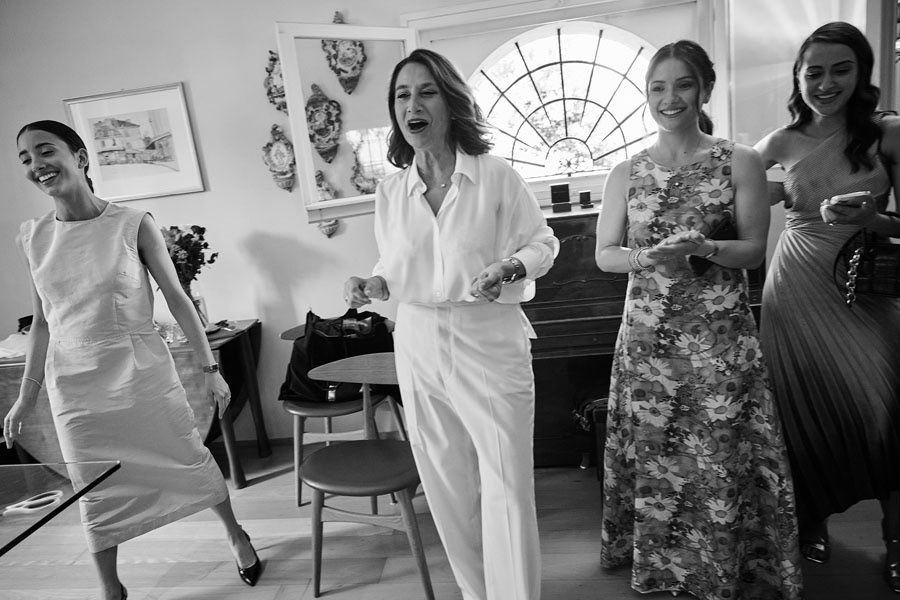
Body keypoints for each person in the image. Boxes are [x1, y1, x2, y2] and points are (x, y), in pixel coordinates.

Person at [3, 120, 261, 600]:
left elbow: (178, 298)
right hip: (73, 385)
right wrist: (24, 397)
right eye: (25, 158)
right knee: (92, 485)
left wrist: (210, 370)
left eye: (45, 150)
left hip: (141, 373)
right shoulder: (31, 237)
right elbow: (41, 322)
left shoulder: (132, 223)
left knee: (188, 458)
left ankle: (236, 535)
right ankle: (111, 589)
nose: (36, 164)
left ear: (80, 157)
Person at [343, 48, 558, 600]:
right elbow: (394, 265)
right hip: (418, 341)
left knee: (507, 482)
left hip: (488, 335)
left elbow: (543, 243)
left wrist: (511, 267)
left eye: (426, 92)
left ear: (451, 101)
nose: (411, 105)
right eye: (402, 95)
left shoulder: (495, 176)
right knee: (445, 484)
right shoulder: (390, 192)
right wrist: (373, 283)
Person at [594, 40, 802, 599]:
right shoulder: (625, 171)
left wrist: (706, 248)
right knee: (659, 453)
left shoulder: (740, 160)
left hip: (719, 337)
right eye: (658, 87)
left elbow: (753, 251)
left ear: (704, 89)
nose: (670, 98)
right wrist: (646, 257)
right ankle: (664, 566)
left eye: (683, 84)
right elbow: (605, 255)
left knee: (720, 451)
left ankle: (726, 566)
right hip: (648, 340)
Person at [753, 21, 900, 593]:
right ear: (797, 77)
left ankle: (896, 539)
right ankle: (810, 519)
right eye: (814, 72)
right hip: (793, 290)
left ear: (862, 74)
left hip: (866, 291)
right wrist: (766, 193)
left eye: (841, 70)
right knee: (798, 410)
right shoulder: (777, 143)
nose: (826, 83)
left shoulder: (887, 134)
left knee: (886, 412)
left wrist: (874, 219)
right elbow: (727, 197)